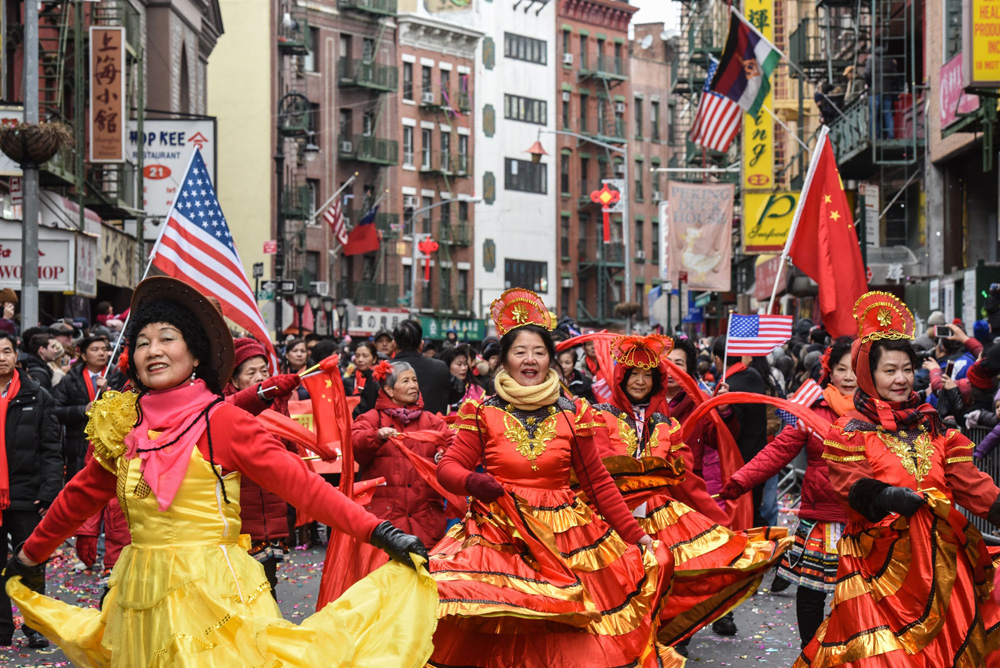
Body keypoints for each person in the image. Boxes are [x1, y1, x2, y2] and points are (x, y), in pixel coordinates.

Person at [3, 277, 436, 667]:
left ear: (193, 353)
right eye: (142, 342)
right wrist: (29, 555)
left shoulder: (223, 421)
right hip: (137, 599)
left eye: (167, 339)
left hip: (214, 598)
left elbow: (303, 487)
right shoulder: (124, 423)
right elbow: (80, 495)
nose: (153, 350)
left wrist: (380, 532)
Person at [428, 288, 675, 667]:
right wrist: (473, 482)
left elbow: (598, 484)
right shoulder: (481, 410)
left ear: (551, 360)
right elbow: (449, 468)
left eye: (539, 352)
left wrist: (638, 536)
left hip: (567, 539)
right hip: (500, 533)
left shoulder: (574, 412)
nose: (530, 359)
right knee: (505, 623)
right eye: (520, 351)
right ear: (504, 360)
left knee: (566, 635)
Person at [795, 292, 1000, 667]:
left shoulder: (934, 428)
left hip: (940, 565)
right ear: (868, 375)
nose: (902, 379)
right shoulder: (851, 431)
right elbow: (849, 486)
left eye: (907, 369)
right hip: (876, 566)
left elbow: (973, 486)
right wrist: (887, 496)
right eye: (890, 371)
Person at [589, 334, 790, 651]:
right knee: (616, 598)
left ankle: (666, 644)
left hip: (659, 524)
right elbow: (597, 472)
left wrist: (722, 528)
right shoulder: (598, 417)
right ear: (621, 375)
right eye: (633, 373)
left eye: (648, 375)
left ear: (658, 379)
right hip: (611, 523)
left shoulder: (666, 426)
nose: (640, 381)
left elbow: (687, 483)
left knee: (664, 590)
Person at [719, 336, 856, 647]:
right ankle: (810, 653)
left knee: (860, 592)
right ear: (829, 373)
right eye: (841, 369)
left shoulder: (880, 414)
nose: (849, 377)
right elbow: (777, 451)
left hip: (866, 519)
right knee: (811, 593)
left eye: (855, 369)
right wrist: (741, 480)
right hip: (821, 518)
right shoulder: (812, 412)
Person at [223, 337, 302, 599]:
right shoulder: (223, 409)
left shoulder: (278, 403)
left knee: (267, 585)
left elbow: (291, 448)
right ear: (234, 381)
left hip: (272, 512)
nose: (260, 377)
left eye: (264, 371)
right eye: (251, 372)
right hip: (238, 515)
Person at [0, 331, 61, 648]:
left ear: (16, 355)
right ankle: (1, 628)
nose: (1, 357)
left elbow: (52, 449)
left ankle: (35, 626)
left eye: (6, 351)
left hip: (26, 494)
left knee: (31, 563)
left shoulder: (37, 396)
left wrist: (50, 490)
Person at [353, 361, 453, 552]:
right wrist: (376, 437)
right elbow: (355, 444)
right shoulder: (372, 420)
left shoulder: (433, 422)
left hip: (425, 520)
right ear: (389, 390)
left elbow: (452, 444)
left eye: (414, 380)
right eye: (406, 381)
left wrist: (444, 456)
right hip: (386, 520)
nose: (413, 385)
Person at [52, 335, 125, 481]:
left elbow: (125, 409)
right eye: (95, 350)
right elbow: (55, 411)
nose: (101, 353)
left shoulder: (118, 376)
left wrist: (107, 391)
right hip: (78, 445)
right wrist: (82, 410)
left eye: (104, 349)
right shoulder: (70, 379)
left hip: (111, 445)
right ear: (84, 356)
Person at [392, 320, 461, 415]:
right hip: (435, 427)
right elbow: (459, 389)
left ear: (394, 344)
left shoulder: (384, 370)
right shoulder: (439, 368)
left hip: (392, 429)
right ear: (421, 344)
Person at [438, 345, 485, 414]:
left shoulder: (478, 391)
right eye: (459, 364)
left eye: (465, 364)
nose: (464, 368)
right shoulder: (438, 390)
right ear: (447, 365)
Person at [344, 340, 379, 418]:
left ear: (374, 359)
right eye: (357, 356)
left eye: (365, 356)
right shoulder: (348, 381)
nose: (360, 359)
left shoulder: (378, 380)